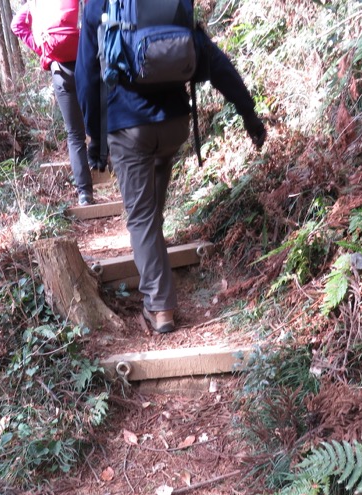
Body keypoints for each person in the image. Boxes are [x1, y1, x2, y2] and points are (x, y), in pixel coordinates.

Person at [75, 3, 266, 333]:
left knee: (141, 217)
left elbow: (87, 76)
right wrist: (248, 112)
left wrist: (96, 139)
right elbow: (213, 58)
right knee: (151, 211)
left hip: (129, 127)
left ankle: (160, 307)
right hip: (175, 124)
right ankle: (156, 261)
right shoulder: (174, 2)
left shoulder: (100, 4)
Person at [11, 0, 95, 206]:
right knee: (100, 120)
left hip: (60, 69)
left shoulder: (38, 2)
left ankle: (85, 194)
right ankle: (105, 165)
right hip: (87, 63)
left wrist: (43, 50)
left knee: (74, 134)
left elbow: (17, 25)